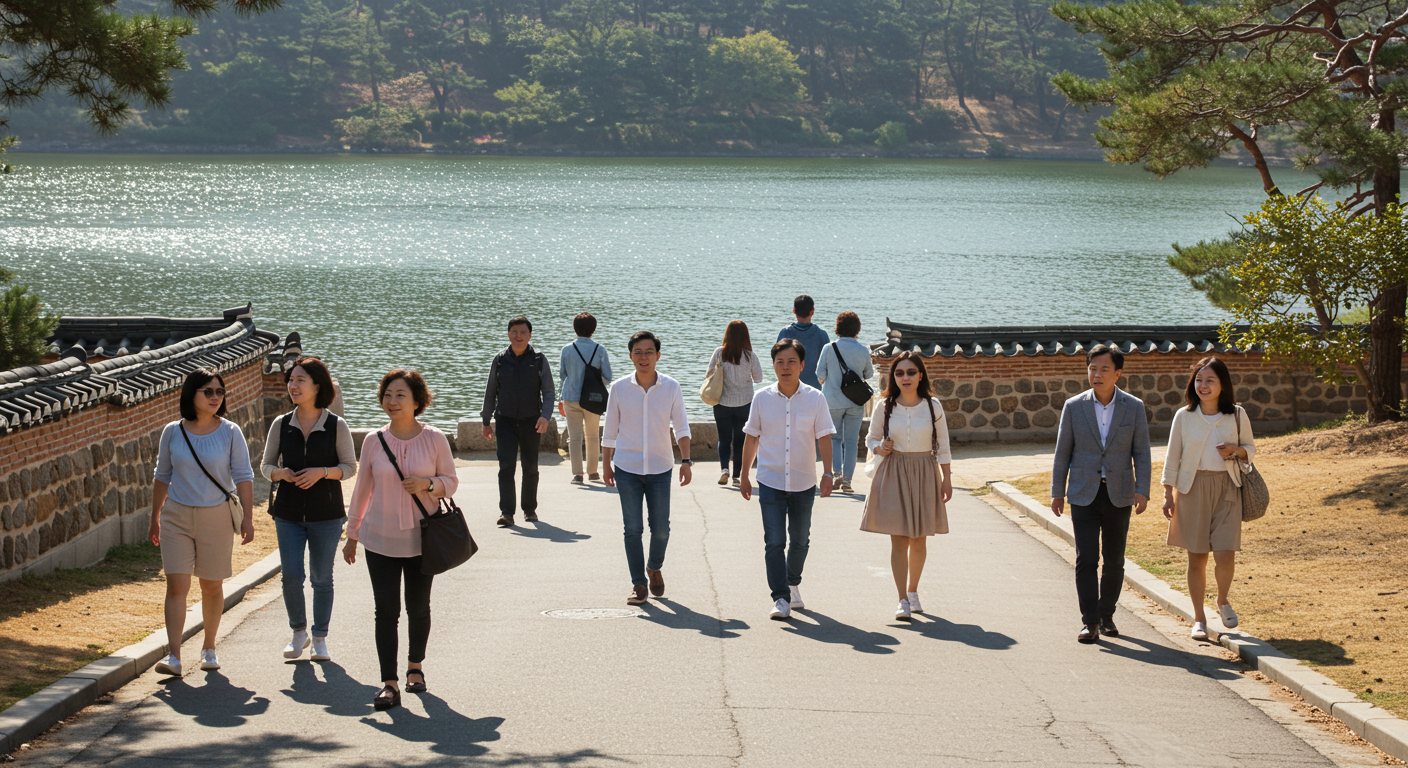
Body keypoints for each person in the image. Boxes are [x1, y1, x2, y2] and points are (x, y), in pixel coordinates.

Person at [344, 370, 459, 711]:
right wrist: (352, 534)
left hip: (422, 539)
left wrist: (427, 485)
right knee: (386, 611)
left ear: (416, 401)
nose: (392, 402)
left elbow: (450, 482)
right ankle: (389, 682)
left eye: (400, 396)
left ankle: (415, 668)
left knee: (418, 607)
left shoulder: (435, 438)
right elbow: (362, 489)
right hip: (378, 538)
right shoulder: (373, 441)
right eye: (387, 395)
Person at [149, 368, 256, 676]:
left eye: (219, 392)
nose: (214, 397)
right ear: (191, 394)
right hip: (176, 517)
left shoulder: (231, 432)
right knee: (177, 585)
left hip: (217, 516)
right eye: (207, 391)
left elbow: (244, 477)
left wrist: (248, 518)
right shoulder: (173, 430)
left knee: (211, 585)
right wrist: (154, 517)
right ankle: (174, 656)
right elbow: (161, 476)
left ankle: (209, 646)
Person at [1051, 343, 1152, 644]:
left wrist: (1142, 490)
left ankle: (1107, 614)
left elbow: (1142, 453)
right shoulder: (1074, 406)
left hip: (1119, 492)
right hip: (1083, 493)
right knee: (1086, 558)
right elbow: (1062, 453)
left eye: (1104, 369)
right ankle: (1089, 621)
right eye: (1092, 368)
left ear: (1117, 373)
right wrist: (1058, 491)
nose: (1096, 374)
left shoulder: (1133, 407)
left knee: (1114, 560)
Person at [261, 357, 357, 662]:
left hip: (326, 514)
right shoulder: (281, 424)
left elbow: (349, 467)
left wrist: (322, 472)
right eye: (291, 380)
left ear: (317, 386)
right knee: (290, 575)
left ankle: (319, 638)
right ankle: (298, 632)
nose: (293, 385)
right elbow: (264, 466)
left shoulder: (335, 425)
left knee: (321, 577)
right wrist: (281, 474)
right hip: (287, 513)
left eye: (300, 380)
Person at [740, 339, 836, 621]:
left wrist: (828, 473)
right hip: (769, 480)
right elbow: (751, 438)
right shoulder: (761, 398)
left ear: (802, 365)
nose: (785, 367)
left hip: (804, 481)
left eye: (791, 361)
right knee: (774, 541)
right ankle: (780, 597)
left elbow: (825, 437)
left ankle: (793, 583)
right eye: (780, 362)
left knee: (800, 540)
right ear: (773, 365)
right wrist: (744, 475)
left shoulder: (815, 398)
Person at [1161, 357, 1255, 641]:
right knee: (1197, 557)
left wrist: (1235, 450)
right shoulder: (1184, 416)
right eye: (1199, 379)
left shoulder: (1237, 414)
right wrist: (1168, 493)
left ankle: (1222, 600)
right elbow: (1172, 456)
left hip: (1228, 489)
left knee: (1226, 553)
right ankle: (1199, 619)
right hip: (1191, 489)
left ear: (1222, 384)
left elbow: (1250, 448)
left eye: (1210, 380)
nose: (1203, 385)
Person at [602, 331, 692, 605]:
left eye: (649, 352)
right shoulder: (618, 388)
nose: (643, 357)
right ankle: (638, 584)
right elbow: (610, 429)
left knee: (661, 528)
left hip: (660, 467)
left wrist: (686, 461)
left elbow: (682, 426)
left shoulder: (671, 387)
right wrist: (605, 464)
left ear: (658, 355)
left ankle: (654, 567)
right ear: (630, 356)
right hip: (627, 467)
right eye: (638, 352)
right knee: (632, 529)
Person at [861, 351, 952, 621]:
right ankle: (902, 599)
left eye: (911, 372)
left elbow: (943, 445)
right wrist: (880, 447)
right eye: (899, 373)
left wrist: (947, 478)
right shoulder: (884, 406)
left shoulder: (933, 406)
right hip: (893, 471)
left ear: (920, 375)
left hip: (925, 471)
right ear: (894, 377)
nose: (905, 377)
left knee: (919, 539)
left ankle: (913, 591)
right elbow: (870, 439)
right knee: (899, 538)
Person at [481, 316, 555, 527]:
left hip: (532, 421)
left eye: (523, 332)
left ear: (530, 335)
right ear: (508, 334)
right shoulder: (500, 359)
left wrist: (545, 416)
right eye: (514, 332)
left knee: (531, 467)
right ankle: (507, 512)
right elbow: (490, 392)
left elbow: (548, 391)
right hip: (505, 420)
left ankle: (529, 510)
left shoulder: (539, 360)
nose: (519, 336)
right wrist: (486, 420)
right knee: (506, 467)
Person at [815, 311, 875, 494]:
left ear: (838, 327)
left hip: (832, 401)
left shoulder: (829, 347)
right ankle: (847, 482)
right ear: (857, 329)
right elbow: (869, 375)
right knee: (851, 441)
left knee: (834, 438)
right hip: (855, 401)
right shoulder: (863, 350)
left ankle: (836, 474)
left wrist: (828, 379)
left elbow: (819, 374)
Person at [705, 321, 763, 487]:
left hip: (721, 402)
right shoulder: (750, 356)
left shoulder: (719, 353)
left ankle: (724, 469)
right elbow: (758, 378)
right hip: (744, 404)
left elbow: (709, 374)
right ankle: (737, 476)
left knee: (724, 439)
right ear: (746, 335)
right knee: (740, 440)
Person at [560, 312, 612, 484]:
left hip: (571, 397)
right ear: (593, 330)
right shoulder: (600, 349)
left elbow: (562, 375)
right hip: (593, 398)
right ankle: (593, 472)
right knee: (592, 435)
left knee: (574, 437)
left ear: (575, 329)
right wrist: (594, 383)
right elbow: (608, 376)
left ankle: (577, 474)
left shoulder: (567, 349)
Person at [776, 294, 830, 390]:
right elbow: (828, 365)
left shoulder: (785, 333)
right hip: (815, 390)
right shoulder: (822, 335)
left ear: (794, 310)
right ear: (812, 311)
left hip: (789, 388)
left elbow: (777, 360)